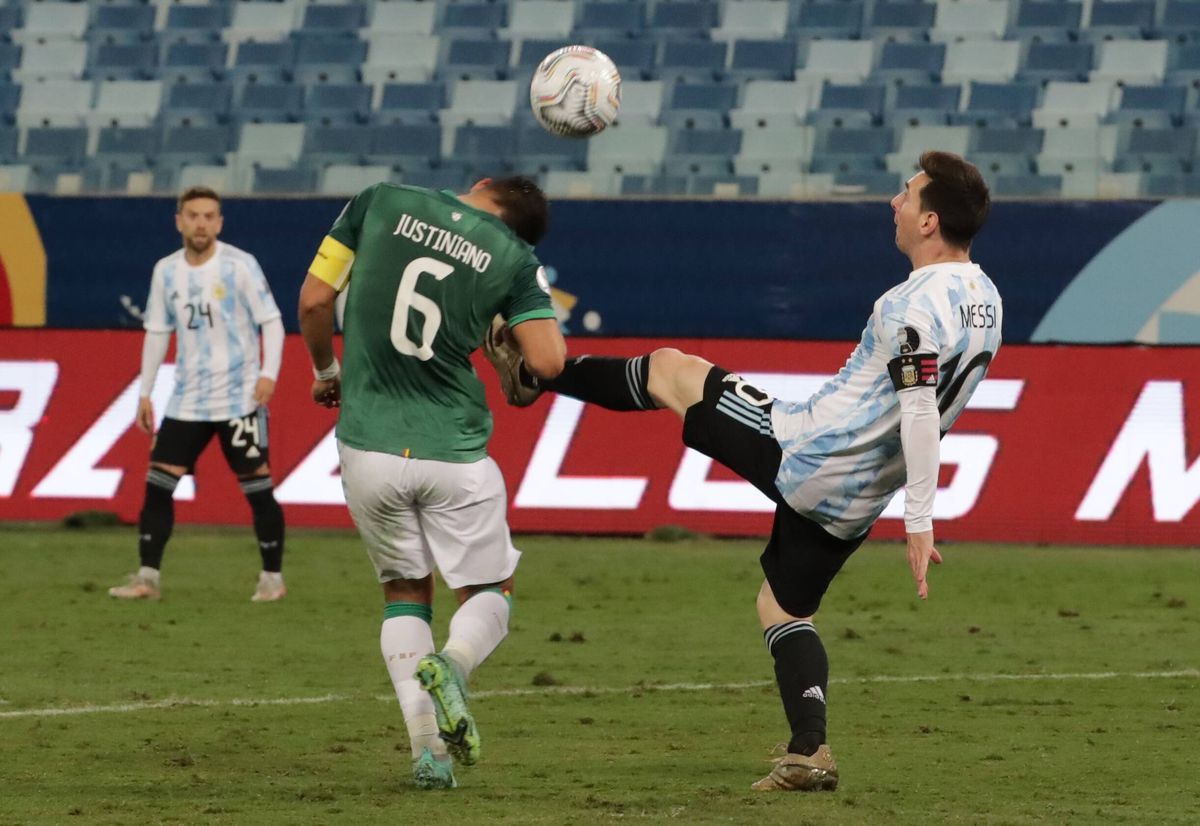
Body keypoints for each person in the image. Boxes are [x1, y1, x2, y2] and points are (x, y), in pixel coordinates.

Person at [487, 151, 1003, 792]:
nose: (893, 203)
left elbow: (921, 406)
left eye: (905, 194)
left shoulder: (912, 305)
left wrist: (921, 520)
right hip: (858, 495)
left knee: (672, 370)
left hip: (807, 452)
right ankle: (808, 751)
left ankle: (537, 370)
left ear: (929, 222)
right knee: (783, 605)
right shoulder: (986, 297)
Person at [297, 176, 565, 790]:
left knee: (404, 593)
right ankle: (453, 662)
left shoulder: (379, 201)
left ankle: (428, 755)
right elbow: (547, 363)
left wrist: (324, 370)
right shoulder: (516, 260)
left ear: (481, 186)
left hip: (368, 446)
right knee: (490, 591)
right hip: (454, 450)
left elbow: (314, 300)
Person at [108, 187, 287, 603]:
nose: (201, 223)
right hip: (187, 400)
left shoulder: (241, 266)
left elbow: (272, 322)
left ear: (220, 223)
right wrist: (146, 391)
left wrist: (268, 374)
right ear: (179, 221)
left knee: (257, 488)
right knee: (157, 486)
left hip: (240, 398)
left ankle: (272, 579)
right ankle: (147, 579)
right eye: (193, 215)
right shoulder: (166, 271)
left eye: (209, 216)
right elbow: (157, 331)